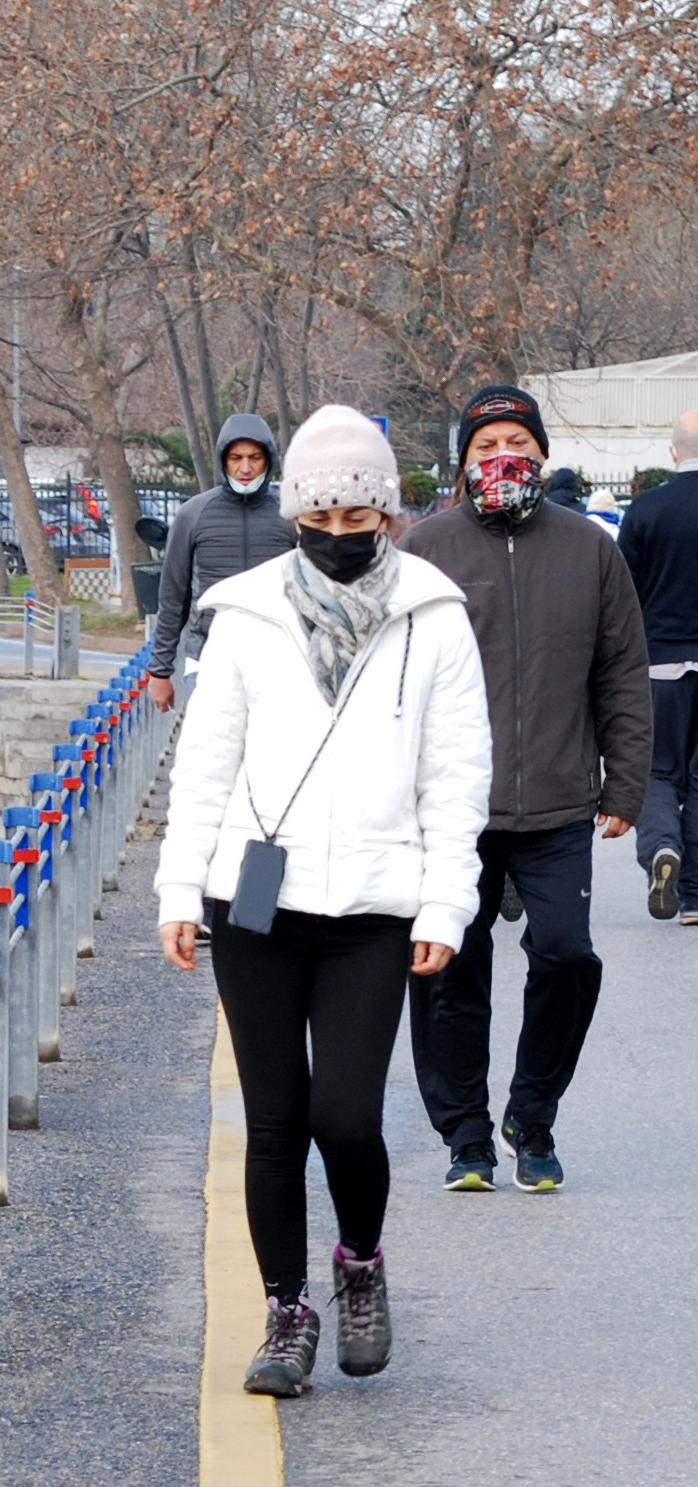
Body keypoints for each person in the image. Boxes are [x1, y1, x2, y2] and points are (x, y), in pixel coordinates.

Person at [157, 404, 492, 1397]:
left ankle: (359, 1263)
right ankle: (286, 1311)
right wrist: (182, 887)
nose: (341, 536)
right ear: (298, 513)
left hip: (377, 903)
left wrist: (445, 904)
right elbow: (205, 763)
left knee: (346, 1113)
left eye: (361, 519)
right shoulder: (246, 613)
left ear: (386, 514)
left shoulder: (434, 615)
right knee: (273, 1117)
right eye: (324, 517)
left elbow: (456, 771)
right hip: (256, 894)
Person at [399, 384, 651, 1194]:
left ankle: (531, 1114)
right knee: (450, 971)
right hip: (451, 809)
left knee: (568, 954)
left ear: (541, 454)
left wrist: (627, 782)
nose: (504, 458)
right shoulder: (427, 549)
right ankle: (465, 1133)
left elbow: (621, 671)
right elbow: (393, 682)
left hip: (558, 803)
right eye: (486, 446)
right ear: (463, 461)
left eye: (518, 443)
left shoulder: (590, 549)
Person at [148, 414, 297, 713]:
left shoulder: (291, 514)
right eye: (236, 457)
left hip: (280, 660)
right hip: (209, 658)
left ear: (268, 460)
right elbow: (173, 598)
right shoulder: (193, 514)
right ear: (223, 460)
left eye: (255, 457)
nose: (245, 467)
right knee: (215, 753)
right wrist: (160, 670)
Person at [618, 408, 698, 925]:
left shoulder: (646, 510)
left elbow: (621, 593)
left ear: (674, 453)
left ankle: (662, 849)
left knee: (657, 772)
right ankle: (694, 894)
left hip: (660, 663)